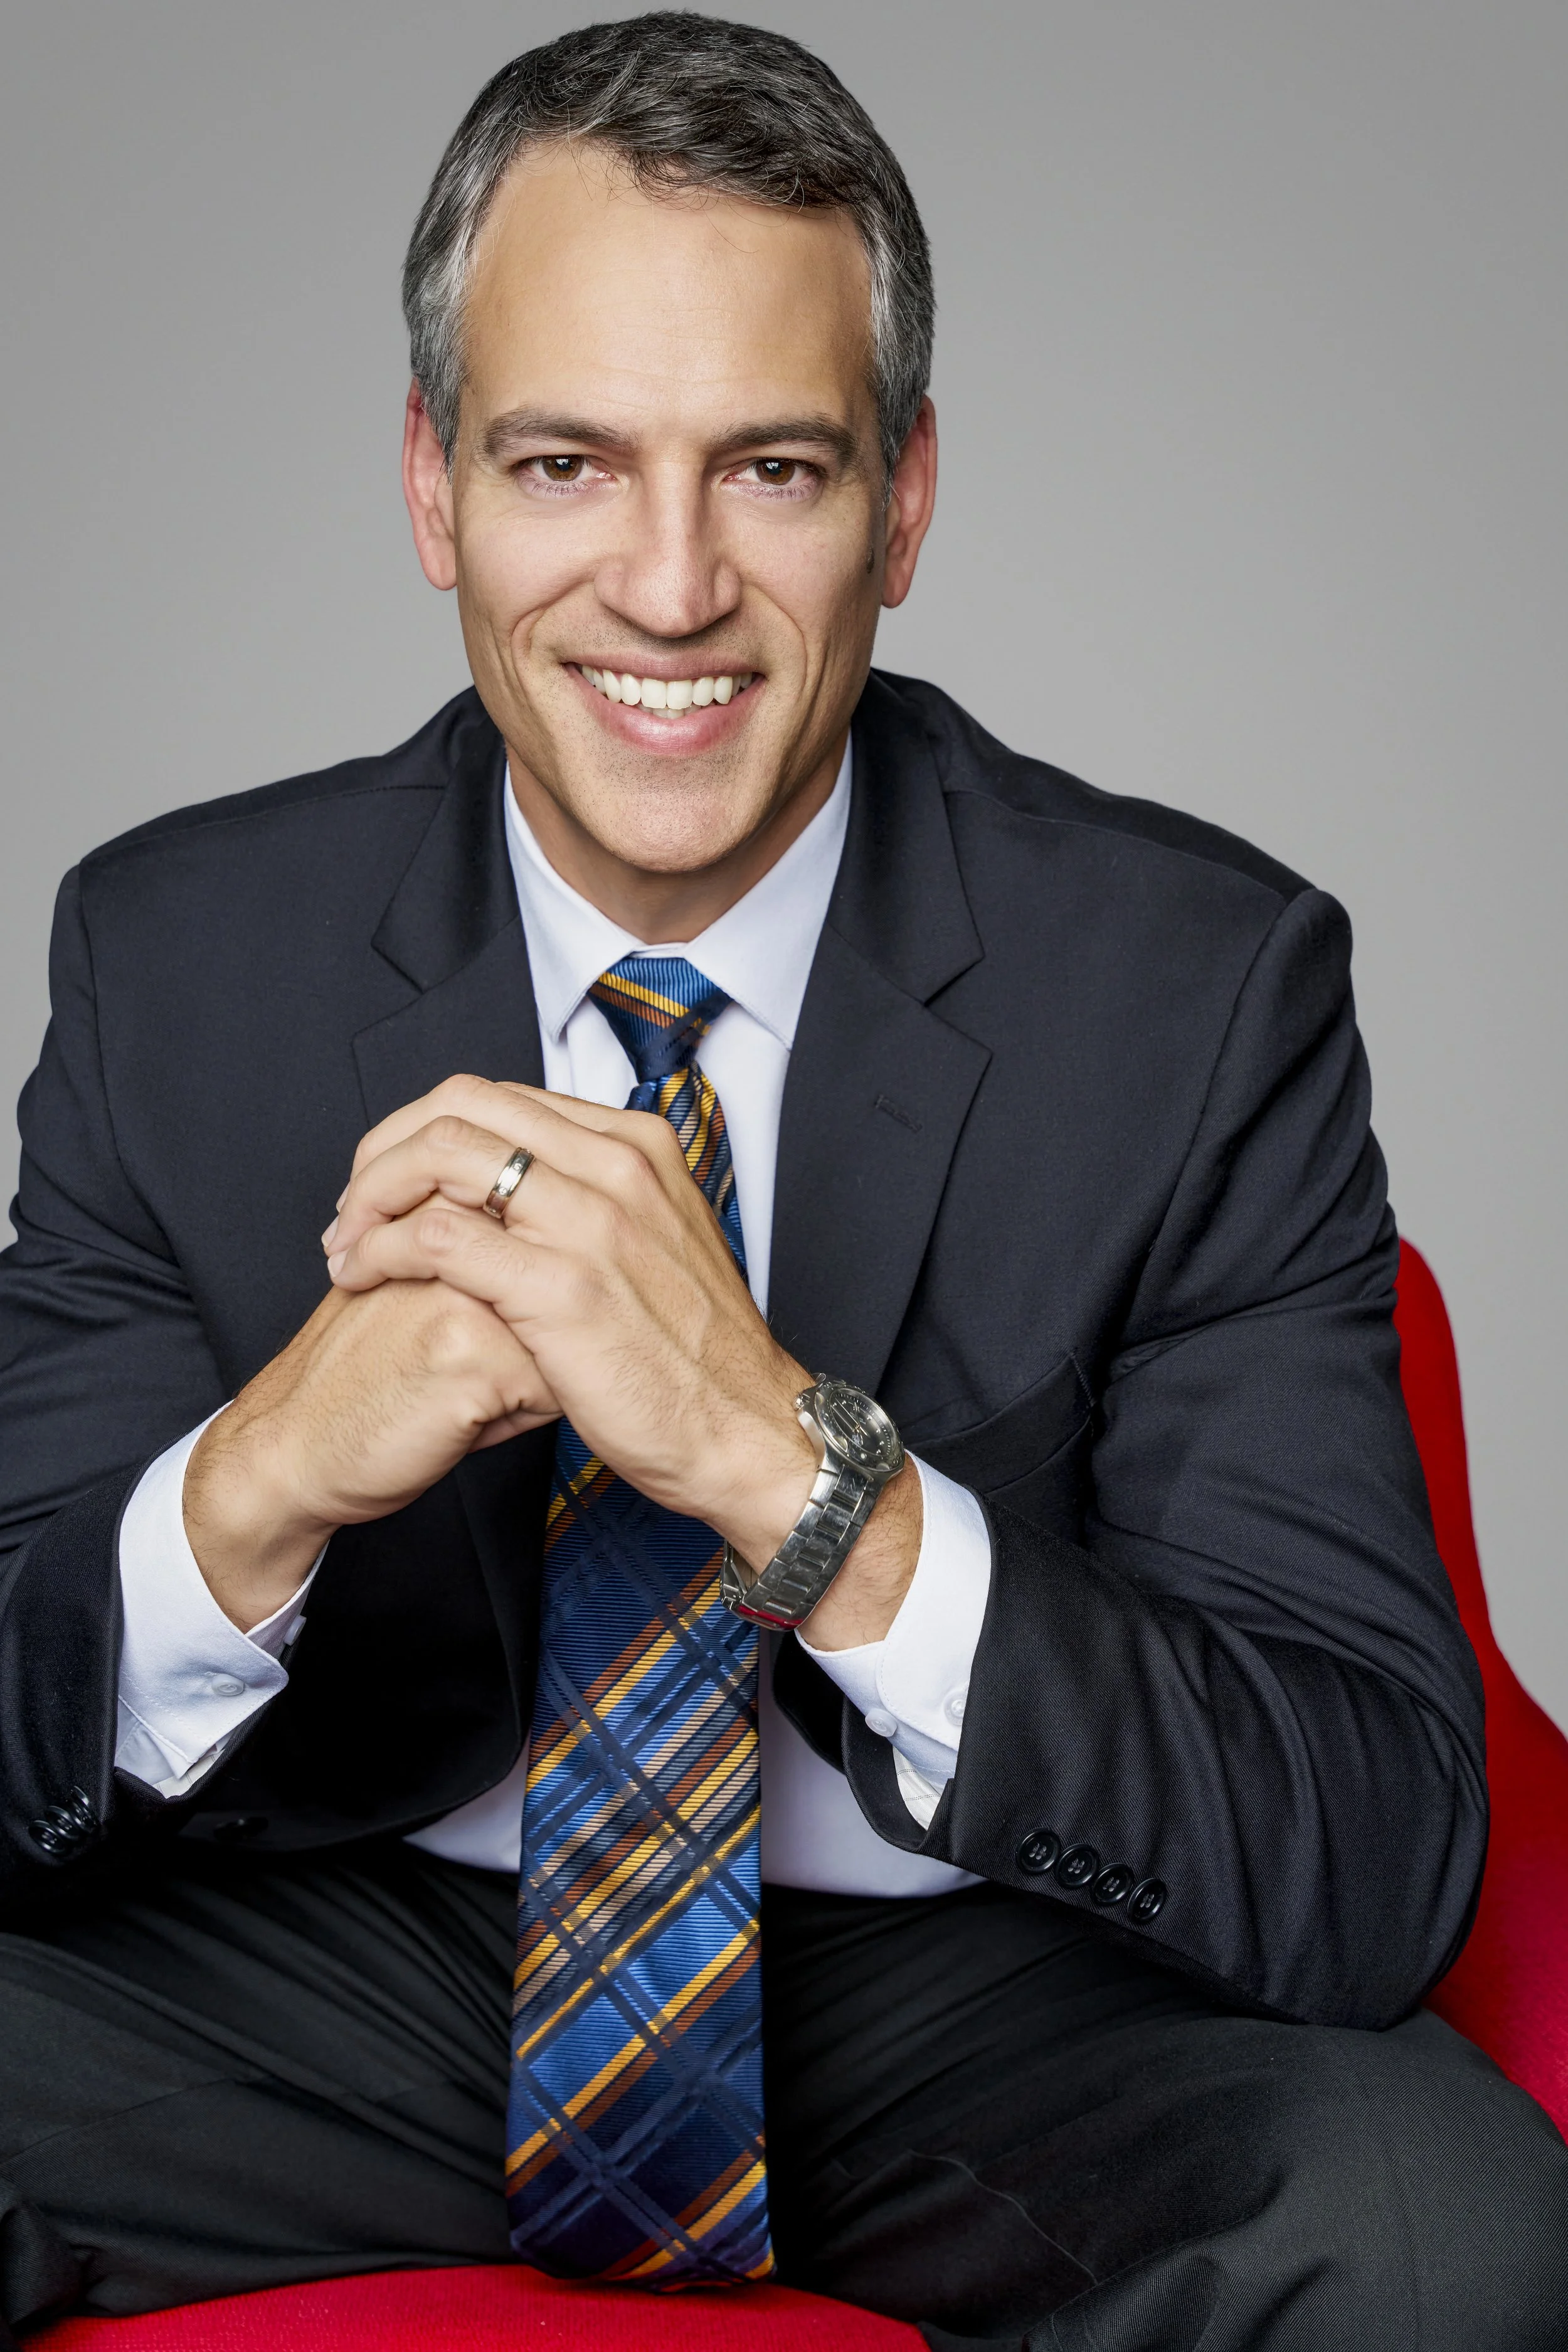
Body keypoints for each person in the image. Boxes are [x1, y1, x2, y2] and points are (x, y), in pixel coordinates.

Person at [1, 13, 1564, 2348]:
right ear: (431, 486)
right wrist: (252, 1488)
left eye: (773, 470)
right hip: (350, 1977)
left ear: (905, 501)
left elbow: (1360, 1854)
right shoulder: (173, 953)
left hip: (963, 2006)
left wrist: (787, 1466)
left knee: (1443, 2229)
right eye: (562, 462)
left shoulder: (1200, 987)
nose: (664, 585)